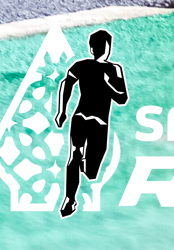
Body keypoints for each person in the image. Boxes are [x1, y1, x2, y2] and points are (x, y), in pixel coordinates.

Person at [54, 28, 128, 217]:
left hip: (92, 122)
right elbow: (66, 84)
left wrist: (105, 84)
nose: (103, 49)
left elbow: (122, 98)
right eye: (100, 46)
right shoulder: (85, 66)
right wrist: (61, 110)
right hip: (86, 119)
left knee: (90, 170)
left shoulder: (112, 69)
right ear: (92, 48)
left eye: (104, 46)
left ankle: (79, 168)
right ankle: (70, 198)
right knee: (75, 155)